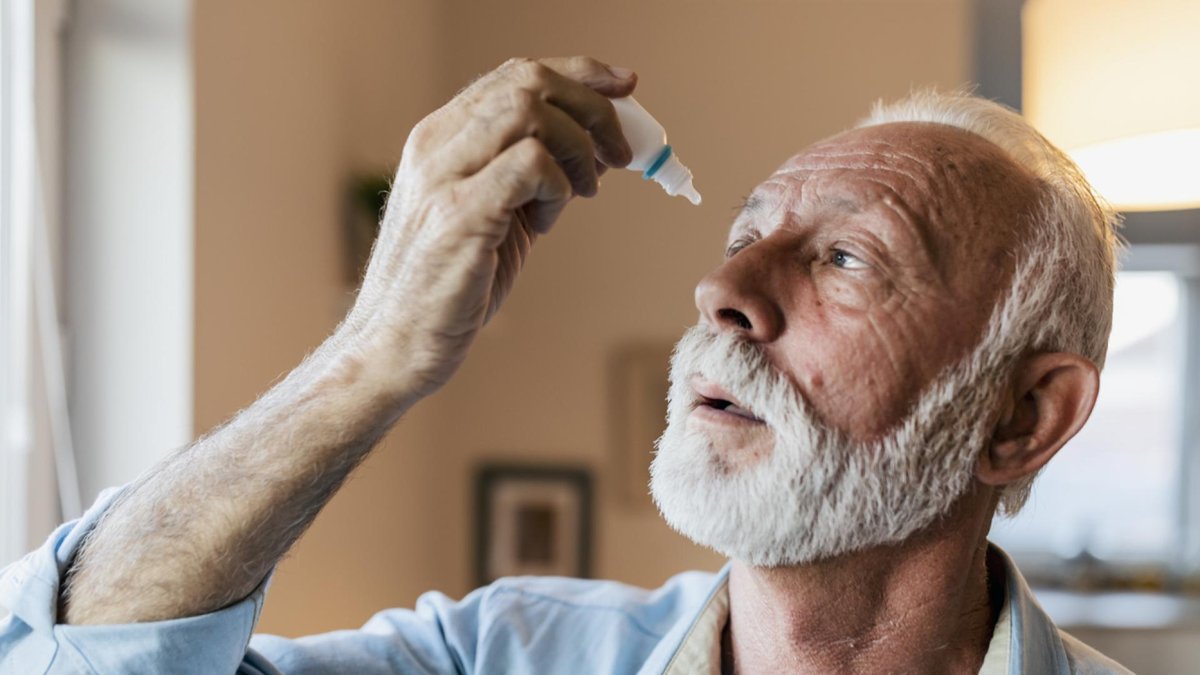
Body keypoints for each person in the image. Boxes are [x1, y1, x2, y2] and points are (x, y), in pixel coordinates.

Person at [0, 56, 1131, 674]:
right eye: (744, 237)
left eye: (845, 257)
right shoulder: (493, 659)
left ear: (1022, 418)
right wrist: (375, 352)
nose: (723, 292)